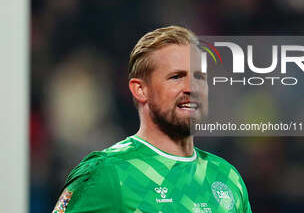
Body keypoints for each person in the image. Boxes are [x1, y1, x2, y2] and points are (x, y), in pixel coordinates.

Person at [53, 26, 252, 213]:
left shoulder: (227, 177)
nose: (192, 88)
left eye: (200, 77)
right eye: (176, 77)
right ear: (140, 89)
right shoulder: (108, 173)